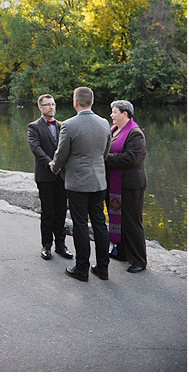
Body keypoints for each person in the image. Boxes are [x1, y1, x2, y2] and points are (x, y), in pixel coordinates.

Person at [50, 87, 112, 282]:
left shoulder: (69, 125)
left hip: (77, 182)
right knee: (100, 223)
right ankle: (102, 268)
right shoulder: (104, 123)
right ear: (91, 102)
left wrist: (54, 167)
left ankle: (82, 268)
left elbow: (61, 154)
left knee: (80, 225)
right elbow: (105, 151)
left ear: (76, 101)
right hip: (99, 181)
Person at [27, 94, 72, 261]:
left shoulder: (63, 125)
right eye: (47, 105)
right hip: (45, 176)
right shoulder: (34, 127)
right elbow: (36, 148)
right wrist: (51, 163)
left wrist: (61, 165)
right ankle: (46, 246)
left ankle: (61, 245)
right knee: (47, 212)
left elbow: (68, 147)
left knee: (61, 211)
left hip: (62, 176)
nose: (51, 107)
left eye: (53, 104)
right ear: (40, 107)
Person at [105, 100, 148, 274]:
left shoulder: (135, 134)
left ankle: (139, 260)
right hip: (115, 184)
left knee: (132, 222)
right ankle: (122, 252)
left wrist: (105, 157)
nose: (111, 115)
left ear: (125, 114)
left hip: (131, 185)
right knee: (118, 219)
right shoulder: (114, 130)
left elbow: (130, 158)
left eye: (114, 112)